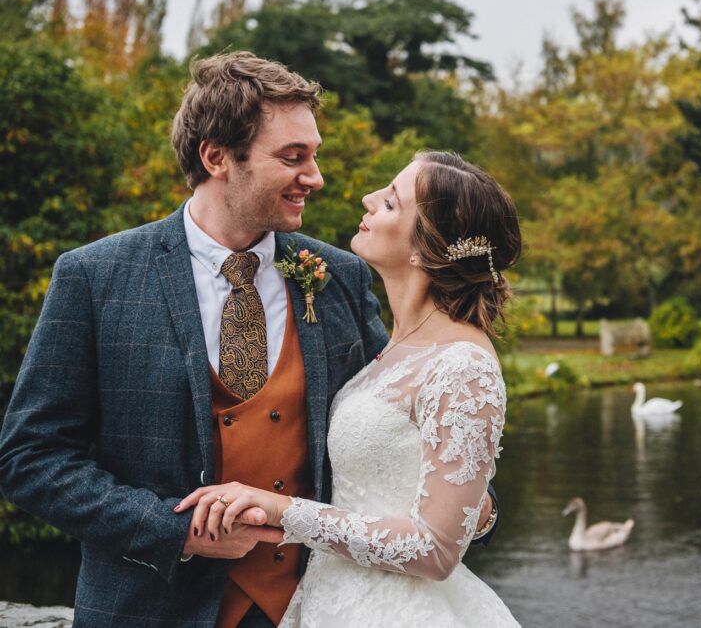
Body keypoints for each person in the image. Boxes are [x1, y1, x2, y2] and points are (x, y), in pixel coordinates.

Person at [0, 53, 499, 628]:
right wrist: (175, 529)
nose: (316, 177)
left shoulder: (340, 277)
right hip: (150, 610)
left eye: (314, 155)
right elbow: (29, 459)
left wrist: (468, 512)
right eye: (293, 158)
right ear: (217, 157)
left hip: (317, 607)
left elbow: (412, 422)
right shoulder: (95, 277)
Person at [177, 150, 521, 627]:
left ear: (425, 250)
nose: (368, 198)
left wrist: (281, 509)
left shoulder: (464, 364)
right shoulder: (400, 344)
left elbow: (437, 550)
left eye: (391, 203)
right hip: (333, 597)